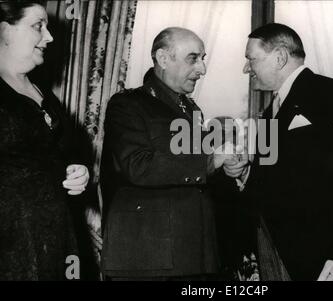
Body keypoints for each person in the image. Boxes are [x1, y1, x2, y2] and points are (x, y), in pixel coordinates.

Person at [225, 23, 333, 280]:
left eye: (251, 59)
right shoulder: (269, 112)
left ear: (280, 57)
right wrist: (244, 173)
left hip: (323, 259)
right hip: (276, 253)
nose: (245, 68)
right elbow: (271, 183)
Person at [101, 27, 235, 280]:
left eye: (202, 59)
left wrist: (229, 167)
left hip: (194, 254)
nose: (202, 69)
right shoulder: (127, 104)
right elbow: (138, 166)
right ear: (163, 59)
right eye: (193, 58)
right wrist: (209, 162)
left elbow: (190, 179)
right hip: (148, 256)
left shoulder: (190, 109)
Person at [0, 1, 90, 280]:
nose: (49, 37)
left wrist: (78, 170)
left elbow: (60, 152)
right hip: (10, 244)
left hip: (53, 236)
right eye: (38, 26)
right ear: (4, 30)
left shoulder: (40, 90)